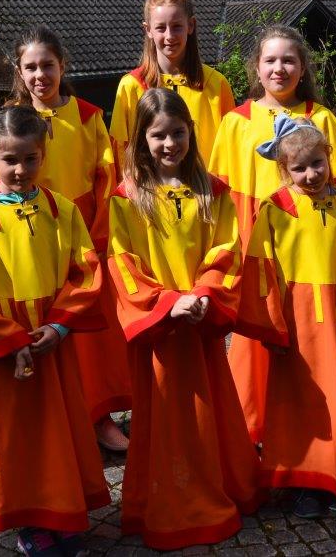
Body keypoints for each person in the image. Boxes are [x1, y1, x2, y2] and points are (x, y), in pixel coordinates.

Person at [0, 106, 110, 555]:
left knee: (63, 428)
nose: (20, 169)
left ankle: (66, 512)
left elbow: (86, 271)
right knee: (21, 438)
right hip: (9, 352)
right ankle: (31, 522)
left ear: (43, 155)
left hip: (53, 342)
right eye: (10, 160)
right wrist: (11, 340)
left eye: (30, 158)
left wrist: (59, 325)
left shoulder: (61, 210)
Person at [107, 88, 264, 549]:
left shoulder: (212, 191)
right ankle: (166, 501)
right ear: (142, 138)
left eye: (178, 133)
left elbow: (227, 250)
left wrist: (203, 294)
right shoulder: (127, 197)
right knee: (163, 415)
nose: (170, 144)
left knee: (207, 408)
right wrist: (166, 303)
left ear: (191, 133)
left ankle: (220, 486)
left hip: (199, 323)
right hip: (160, 330)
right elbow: (122, 260)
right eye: (158, 135)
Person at [208, 24, 336, 443]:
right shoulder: (236, 122)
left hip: (308, 254)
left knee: (307, 345)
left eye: (289, 60)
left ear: (303, 67)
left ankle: (309, 434)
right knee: (255, 340)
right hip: (255, 251)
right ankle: (250, 429)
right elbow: (219, 192)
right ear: (256, 68)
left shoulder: (320, 118)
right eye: (270, 60)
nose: (280, 68)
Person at [6, 25, 131, 452]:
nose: (39, 75)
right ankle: (57, 424)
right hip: (32, 232)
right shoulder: (11, 119)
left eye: (47, 65)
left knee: (87, 331)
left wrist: (96, 237)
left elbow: (107, 178)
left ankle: (98, 416)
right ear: (19, 71)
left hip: (81, 234)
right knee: (42, 328)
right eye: (30, 67)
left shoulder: (89, 115)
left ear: (62, 66)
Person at [236, 115, 336, 519]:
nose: (311, 175)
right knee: (297, 399)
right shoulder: (277, 207)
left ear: (329, 157)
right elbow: (260, 268)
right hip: (296, 319)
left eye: (317, 163)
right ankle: (301, 481)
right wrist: (271, 323)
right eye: (299, 168)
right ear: (284, 170)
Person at [110, 0, 236, 169]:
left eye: (177, 26)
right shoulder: (131, 86)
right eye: (161, 28)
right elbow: (121, 153)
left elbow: (230, 150)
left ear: (190, 25)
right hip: (149, 186)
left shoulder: (216, 84)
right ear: (148, 30)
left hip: (205, 186)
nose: (169, 36)